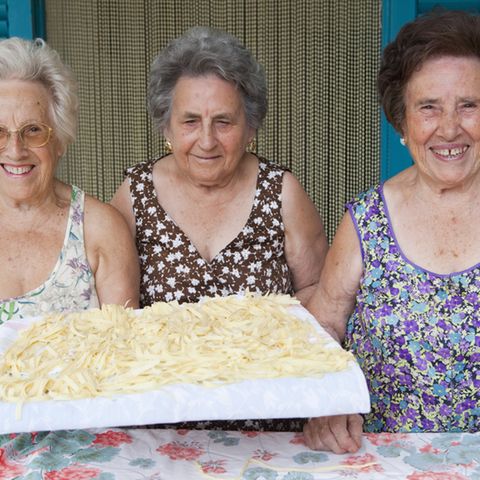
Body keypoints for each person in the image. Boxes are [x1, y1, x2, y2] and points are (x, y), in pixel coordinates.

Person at [111, 26, 328, 431]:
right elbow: (113, 311)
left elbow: (319, 291)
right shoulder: (134, 194)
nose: (206, 140)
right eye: (190, 121)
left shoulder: (282, 192)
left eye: (223, 121)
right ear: (166, 128)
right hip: (162, 419)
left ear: (251, 126)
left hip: (269, 414)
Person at [303, 9, 480, 453]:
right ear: (402, 121)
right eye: (429, 108)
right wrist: (326, 402)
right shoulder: (366, 221)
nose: (449, 128)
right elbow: (323, 326)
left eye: (469, 105)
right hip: (380, 459)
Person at [0, 37, 140, 323]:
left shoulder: (99, 229)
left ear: (60, 140)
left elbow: (125, 350)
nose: (15, 150)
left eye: (34, 130)